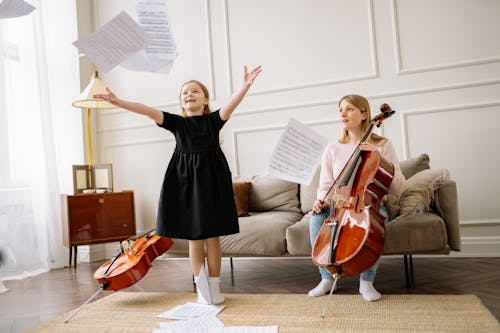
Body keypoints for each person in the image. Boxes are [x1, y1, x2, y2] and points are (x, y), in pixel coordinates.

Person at [93, 65, 262, 304]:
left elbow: (232, 104)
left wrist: (244, 86)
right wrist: (118, 102)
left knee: (214, 238)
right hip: (186, 184)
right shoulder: (177, 124)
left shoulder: (214, 121)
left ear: (205, 101)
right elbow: (147, 110)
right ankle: (203, 289)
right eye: (185, 93)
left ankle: (215, 286)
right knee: (195, 237)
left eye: (195, 91)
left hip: (213, 183)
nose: (189, 94)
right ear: (182, 103)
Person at [308, 94, 405, 302]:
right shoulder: (333, 149)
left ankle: (366, 282)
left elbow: (399, 187)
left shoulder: (383, 145)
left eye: (349, 108)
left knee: (376, 221)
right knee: (316, 218)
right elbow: (326, 185)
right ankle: (326, 277)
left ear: (364, 114)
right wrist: (321, 200)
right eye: (340, 109)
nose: (343, 113)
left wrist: (379, 155)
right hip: (340, 203)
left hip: (368, 203)